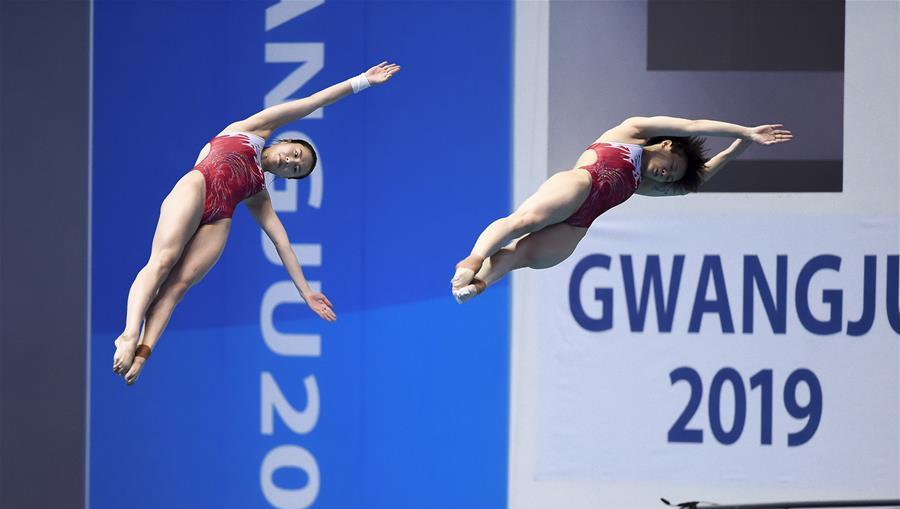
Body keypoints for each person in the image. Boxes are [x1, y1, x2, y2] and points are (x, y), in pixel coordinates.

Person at [112, 62, 401, 385]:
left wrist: (305, 292)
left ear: (285, 177)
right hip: (198, 186)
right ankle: (128, 334)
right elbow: (313, 102)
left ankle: (141, 355)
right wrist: (362, 81)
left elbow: (282, 243)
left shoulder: (258, 194)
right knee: (163, 261)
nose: (290, 162)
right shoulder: (253, 129)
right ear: (284, 141)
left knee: (176, 289)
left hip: (219, 216)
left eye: (294, 169)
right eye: (294, 154)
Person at [450, 117, 792, 302]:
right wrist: (744, 130)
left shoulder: (642, 185)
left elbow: (697, 181)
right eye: (671, 166)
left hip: (579, 224)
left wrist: (734, 151)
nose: (666, 175)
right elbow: (693, 126)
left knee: (522, 256)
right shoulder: (630, 132)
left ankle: (477, 285)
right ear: (667, 144)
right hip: (580, 185)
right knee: (524, 221)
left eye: (671, 177)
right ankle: (472, 260)